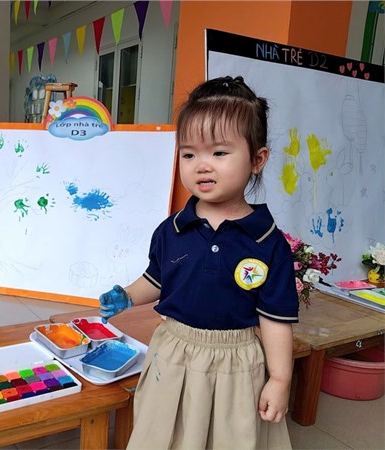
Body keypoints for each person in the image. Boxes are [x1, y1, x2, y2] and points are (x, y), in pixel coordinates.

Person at [99, 76, 299, 449]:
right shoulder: (172, 229)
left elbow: (275, 320)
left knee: (231, 439)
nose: (201, 166)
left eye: (219, 153)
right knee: (164, 435)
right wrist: (126, 295)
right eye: (189, 154)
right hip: (173, 354)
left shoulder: (269, 243)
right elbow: (157, 280)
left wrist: (280, 380)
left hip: (236, 364)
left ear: (258, 159)